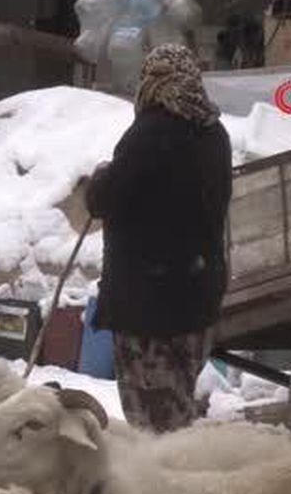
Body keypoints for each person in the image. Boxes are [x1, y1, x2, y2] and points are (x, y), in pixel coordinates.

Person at [85, 44, 232, 433]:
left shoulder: (148, 133)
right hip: (197, 300)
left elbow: (104, 199)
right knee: (177, 405)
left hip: (149, 308)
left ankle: (164, 489)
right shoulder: (215, 135)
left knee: (153, 426)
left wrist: (101, 179)